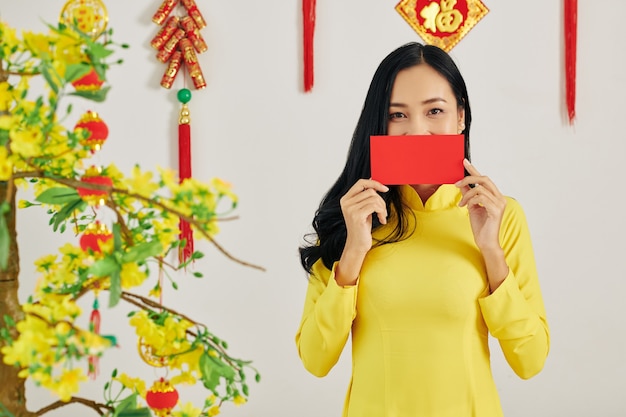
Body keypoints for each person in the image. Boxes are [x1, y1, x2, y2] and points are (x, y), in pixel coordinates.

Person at [295, 42, 549, 417]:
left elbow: (530, 360)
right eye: (398, 115)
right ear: (378, 122)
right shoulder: (350, 217)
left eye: (435, 111)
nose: (417, 131)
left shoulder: (502, 215)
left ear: (460, 117)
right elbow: (315, 360)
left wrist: (491, 252)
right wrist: (352, 255)